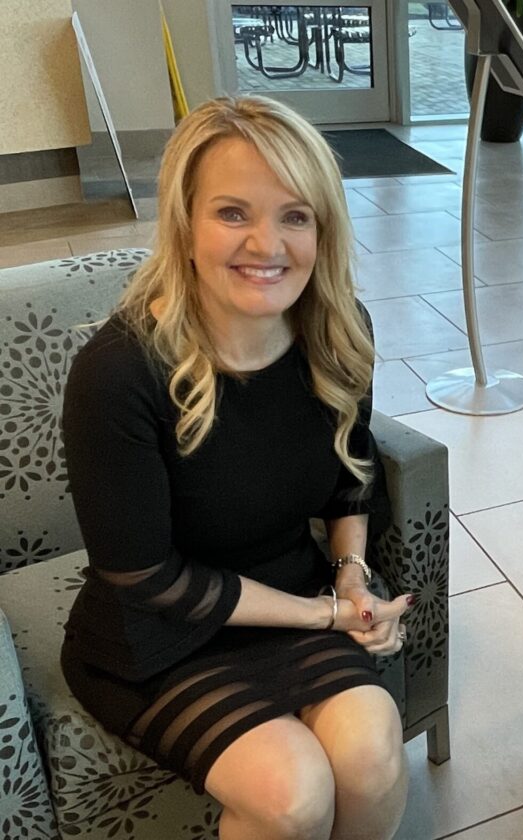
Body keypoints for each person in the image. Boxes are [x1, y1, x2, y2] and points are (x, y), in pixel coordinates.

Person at [61, 96, 412, 840]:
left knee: (374, 754)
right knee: (293, 794)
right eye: (232, 213)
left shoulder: (339, 331)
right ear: (185, 227)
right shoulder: (118, 373)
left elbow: (353, 471)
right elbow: (147, 578)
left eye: (295, 215)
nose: (267, 243)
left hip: (288, 589)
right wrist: (325, 614)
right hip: (156, 634)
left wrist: (351, 573)